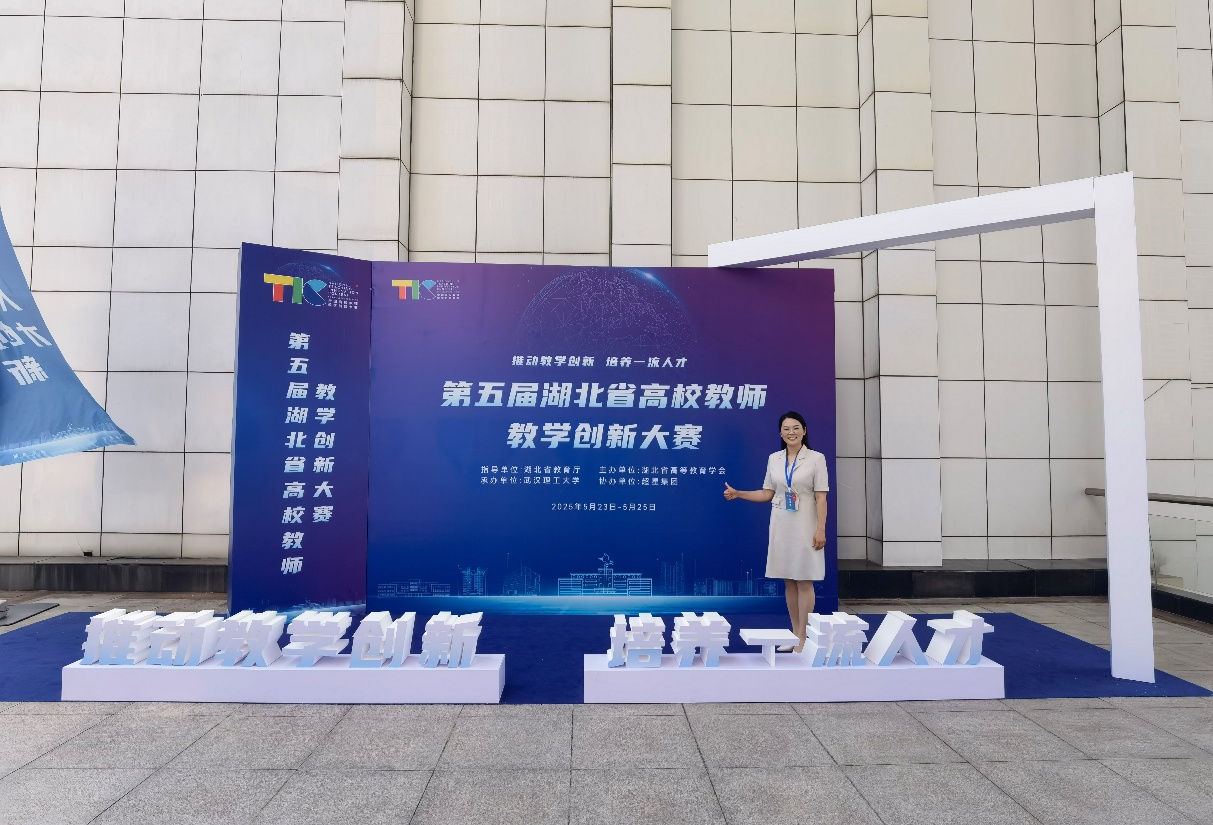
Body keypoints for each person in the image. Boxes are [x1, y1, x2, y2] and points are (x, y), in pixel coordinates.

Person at [723, 411, 829, 653]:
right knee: (789, 579)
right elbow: (767, 493)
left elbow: (821, 497)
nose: (791, 432)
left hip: (806, 521)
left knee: (804, 579)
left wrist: (820, 529)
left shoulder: (816, 459)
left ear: (804, 430)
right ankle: (795, 633)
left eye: (796, 428)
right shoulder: (774, 459)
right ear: (780, 433)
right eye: (786, 429)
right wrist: (739, 494)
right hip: (782, 522)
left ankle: (804, 637)